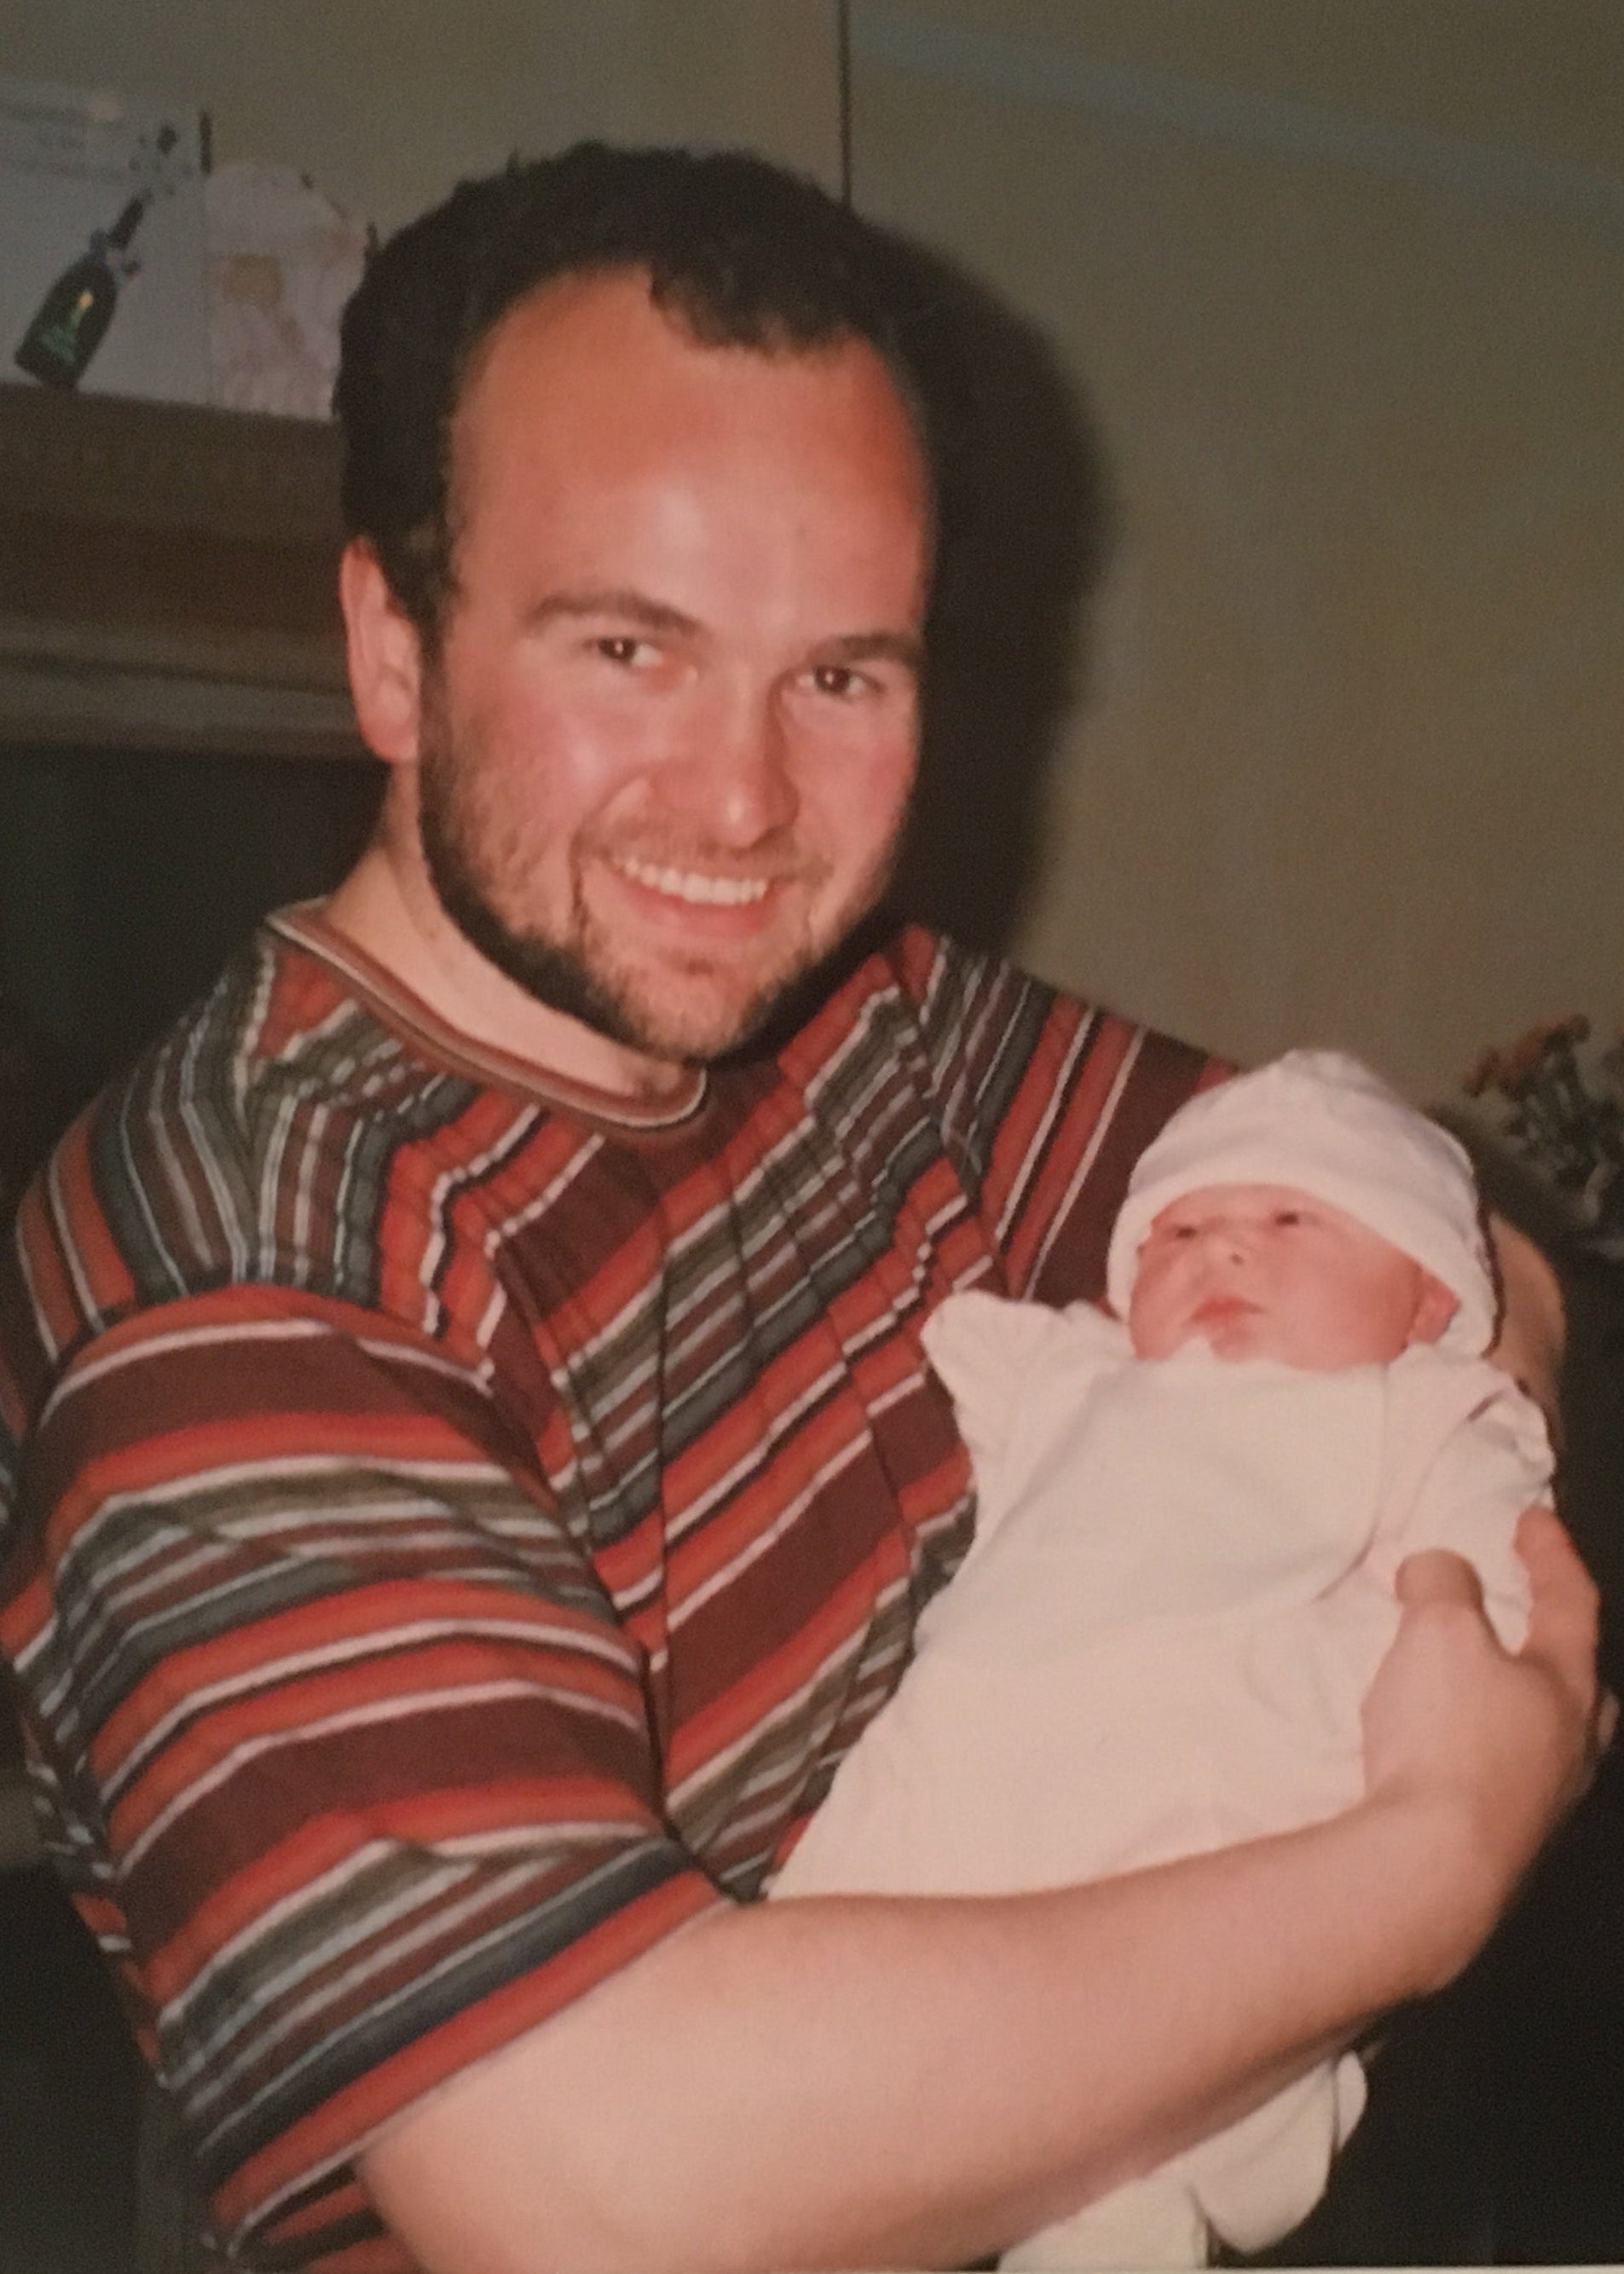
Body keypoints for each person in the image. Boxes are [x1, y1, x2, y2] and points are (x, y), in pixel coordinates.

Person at [0, 144, 1602, 2274]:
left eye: (838, 673)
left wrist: (1434, 1478)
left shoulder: (862, 1015)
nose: (743, 803)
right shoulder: (237, 1281)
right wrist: (1433, 1847)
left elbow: (1421, 1214)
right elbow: (608, 2187)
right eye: (627, 646)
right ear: (391, 647)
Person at [772, 1049, 1552, 2268]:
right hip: (977, 1733)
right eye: (1177, 1233)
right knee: (827, 1958)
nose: (1223, 1250)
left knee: (1188, 2032)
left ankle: (1120, 2209)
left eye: (1293, 1220)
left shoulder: (1419, 1408)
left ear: (1428, 1301)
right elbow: (978, 1358)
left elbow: (1491, 1586)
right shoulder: (1082, 1376)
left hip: (1209, 1760)